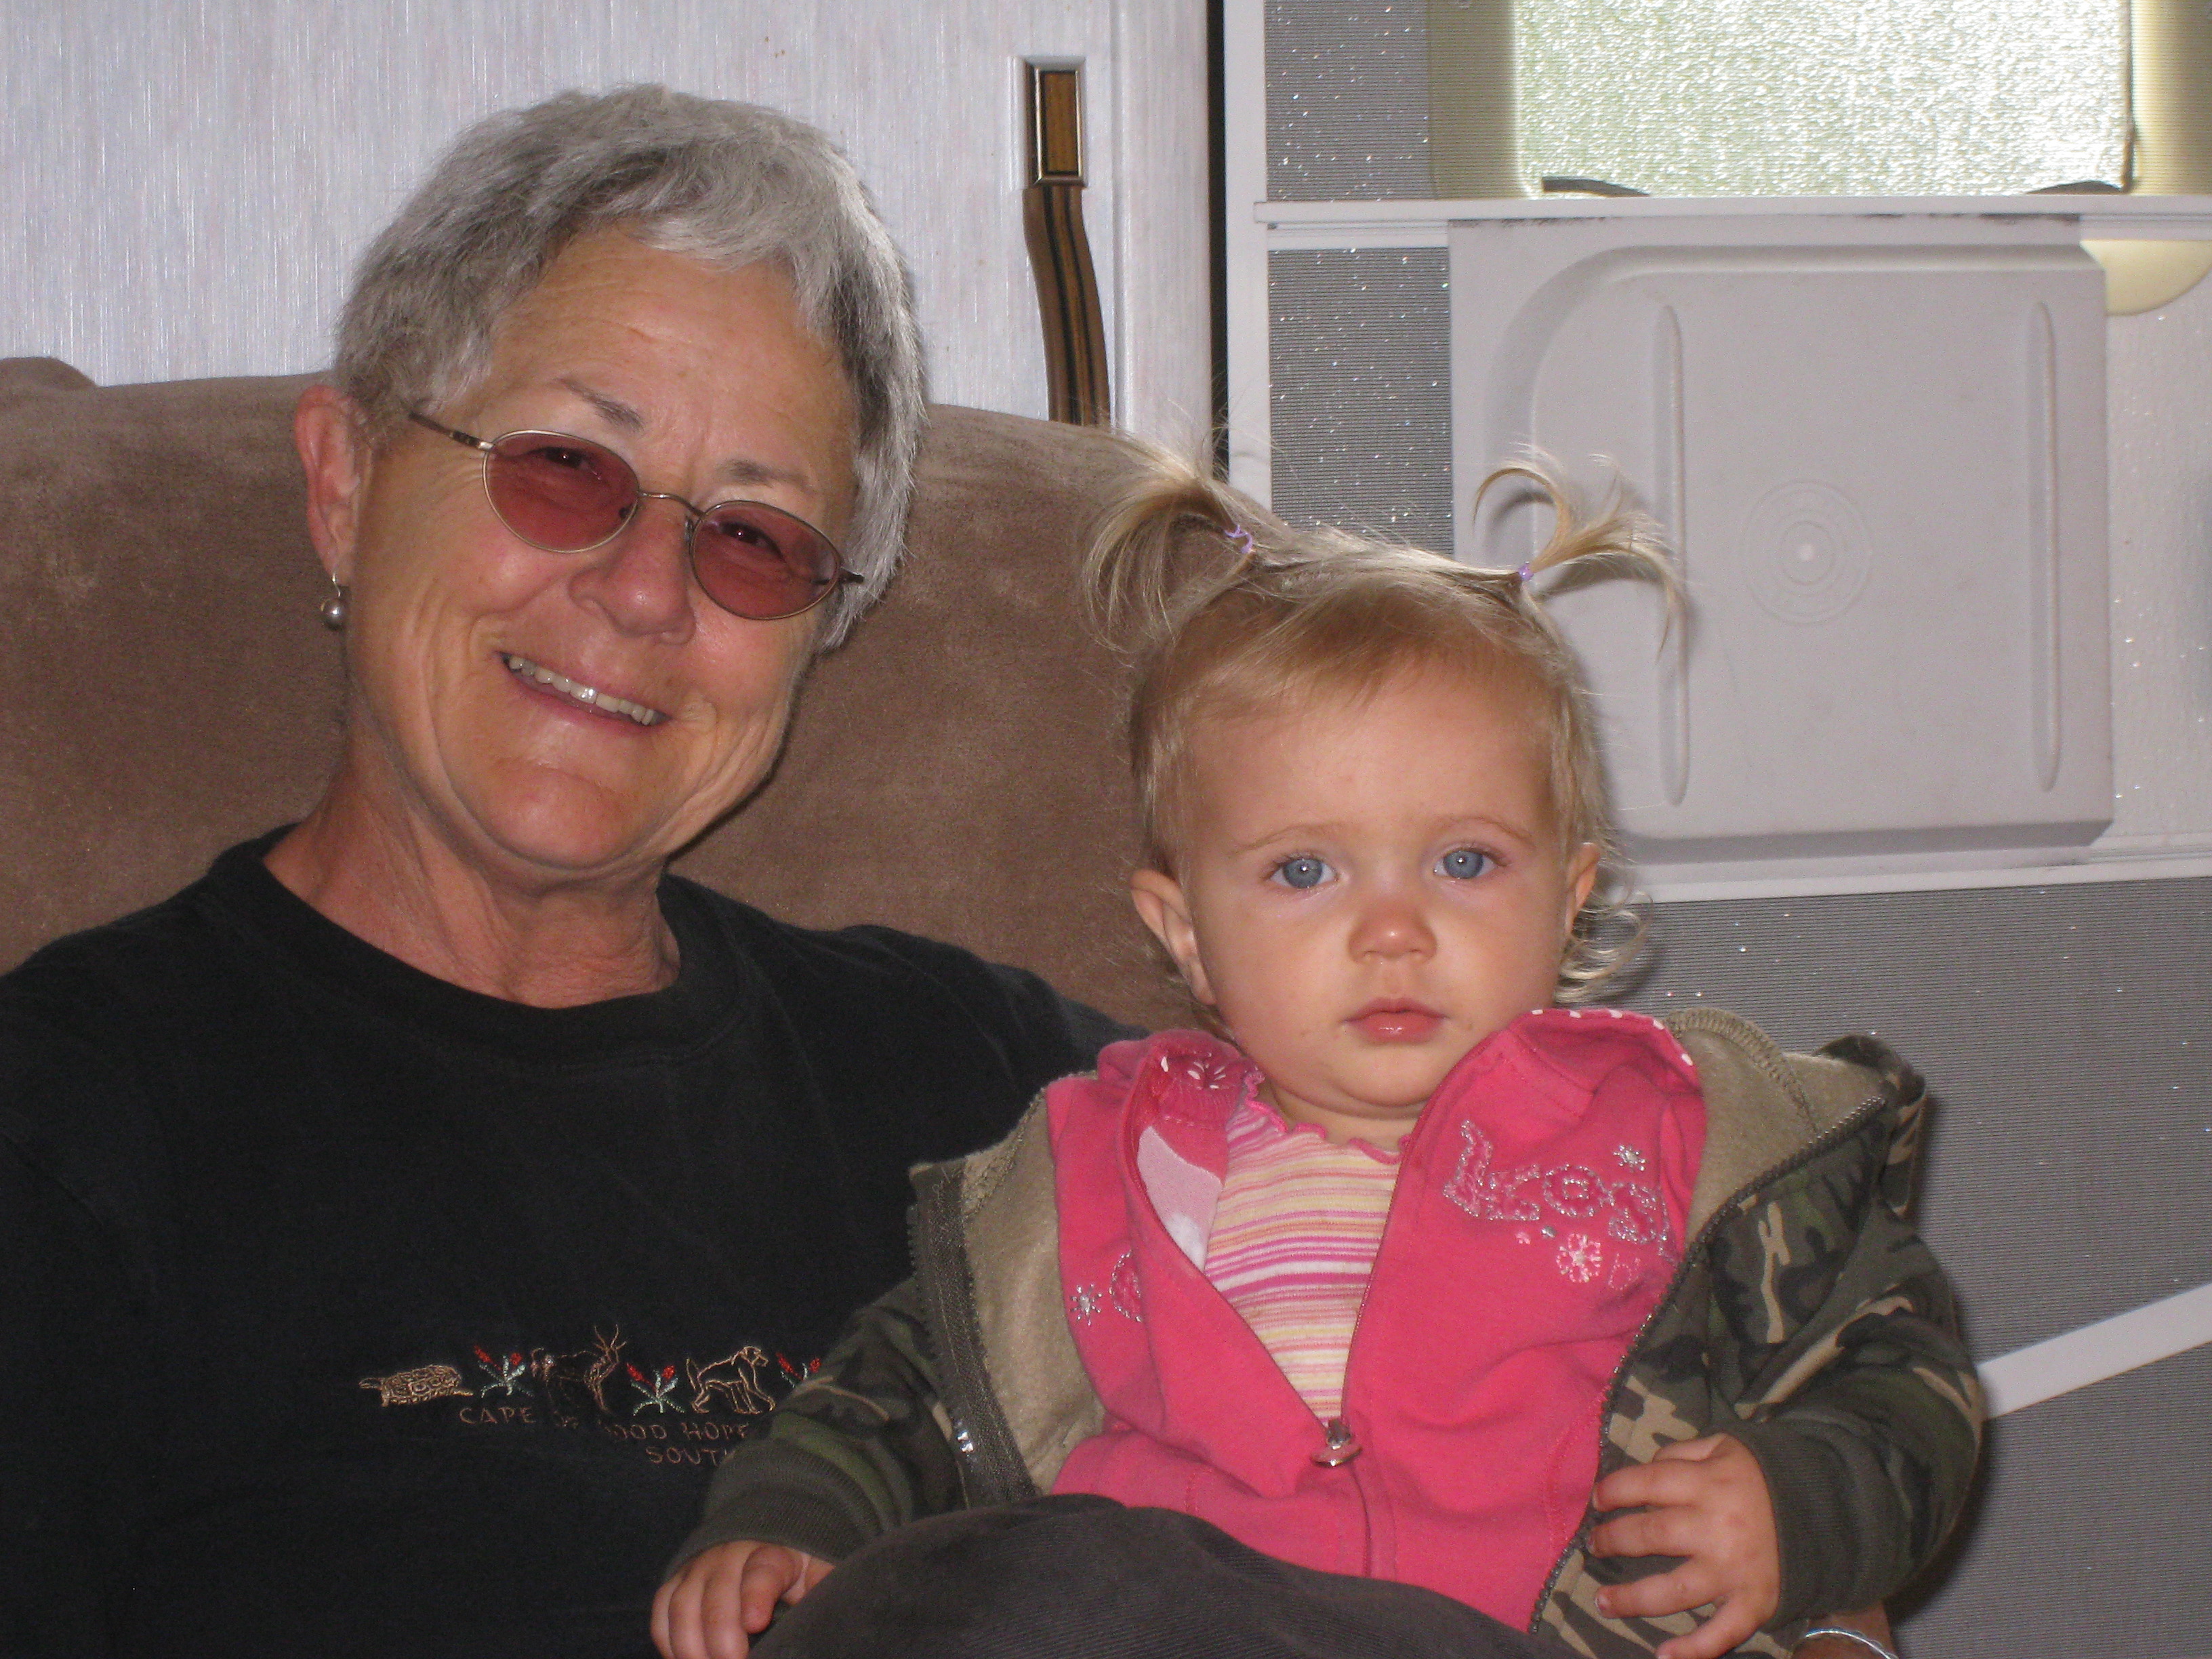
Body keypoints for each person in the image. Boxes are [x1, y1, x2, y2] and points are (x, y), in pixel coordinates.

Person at [0, 87, 1125, 1658]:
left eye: (753, 538)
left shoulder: (992, 1085)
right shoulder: (67, 1124)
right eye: (565, 466)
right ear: (343, 484)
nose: (647, 589)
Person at [655, 453, 1983, 1659]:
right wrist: (791, 1517)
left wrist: (1800, 1506)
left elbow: (1900, 1372)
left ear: (1569, 899)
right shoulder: (1095, 1173)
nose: (1394, 930)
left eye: (1466, 862)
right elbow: (896, 1387)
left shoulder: (1682, 1137)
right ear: (1186, 933)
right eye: (1304, 872)